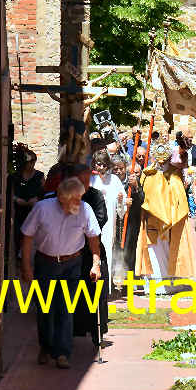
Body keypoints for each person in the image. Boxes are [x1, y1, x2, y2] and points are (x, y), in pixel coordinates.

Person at [20, 177, 102, 369]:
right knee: (45, 307)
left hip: (72, 263)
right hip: (46, 263)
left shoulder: (85, 209)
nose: (77, 204)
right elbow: (27, 236)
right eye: (73, 200)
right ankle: (46, 347)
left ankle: (63, 353)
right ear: (60, 198)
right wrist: (26, 267)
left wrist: (95, 263)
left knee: (66, 308)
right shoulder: (42, 208)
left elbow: (93, 238)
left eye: (79, 198)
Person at [136, 144, 196, 285]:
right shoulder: (147, 173)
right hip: (152, 219)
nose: (162, 163)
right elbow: (144, 195)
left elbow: (179, 197)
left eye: (165, 160)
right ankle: (155, 284)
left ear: (169, 158)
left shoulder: (175, 174)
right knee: (153, 252)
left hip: (171, 219)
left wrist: (172, 214)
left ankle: (171, 283)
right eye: (159, 160)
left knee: (170, 250)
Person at [68, 164, 110, 344]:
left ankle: (96, 331)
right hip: (71, 249)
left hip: (91, 248)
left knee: (96, 291)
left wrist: (82, 228)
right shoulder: (67, 195)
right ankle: (74, 329)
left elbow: (101, 219)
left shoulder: (95, 195)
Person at [91, 150, 124, 286]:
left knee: (108, 250)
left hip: (109, 222)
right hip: (94, 222)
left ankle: (107, 285)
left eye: (104, 164)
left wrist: (121, 200)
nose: (101, 167)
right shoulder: (91, 180)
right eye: (99, 164)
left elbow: (121, 201)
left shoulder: (114, 180)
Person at [9, 146, 45, 258]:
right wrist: (16, 199)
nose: (32, 165)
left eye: (33, 162)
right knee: (18, 233)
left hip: (33, 210)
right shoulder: (15, 176)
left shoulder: (39, 176)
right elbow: (9, 193)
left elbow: (44, 193)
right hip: (18, 211)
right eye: (30, 162)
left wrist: (37, 200)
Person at [120, 162, 144, 273]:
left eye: (136, 173)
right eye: (131, 173)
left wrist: (136, 187)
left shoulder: (142, 184)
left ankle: (130, 277)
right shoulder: (121, 183)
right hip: (121, 223)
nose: (133, 176)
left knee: (131, 250)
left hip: (134, 223)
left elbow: (143, 200)